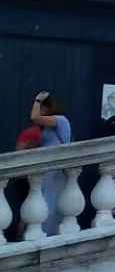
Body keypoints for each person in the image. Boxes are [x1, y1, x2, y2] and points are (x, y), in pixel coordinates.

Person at [27, 92, 73, 237]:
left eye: (41, 108)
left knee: (51, 201)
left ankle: (50, 234)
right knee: (45, 200)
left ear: (46, 109)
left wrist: (37, 99)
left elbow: (34, 117)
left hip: (55, 169)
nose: (38, 110)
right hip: (47, 168)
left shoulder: (60, 120)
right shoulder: (48, 128)